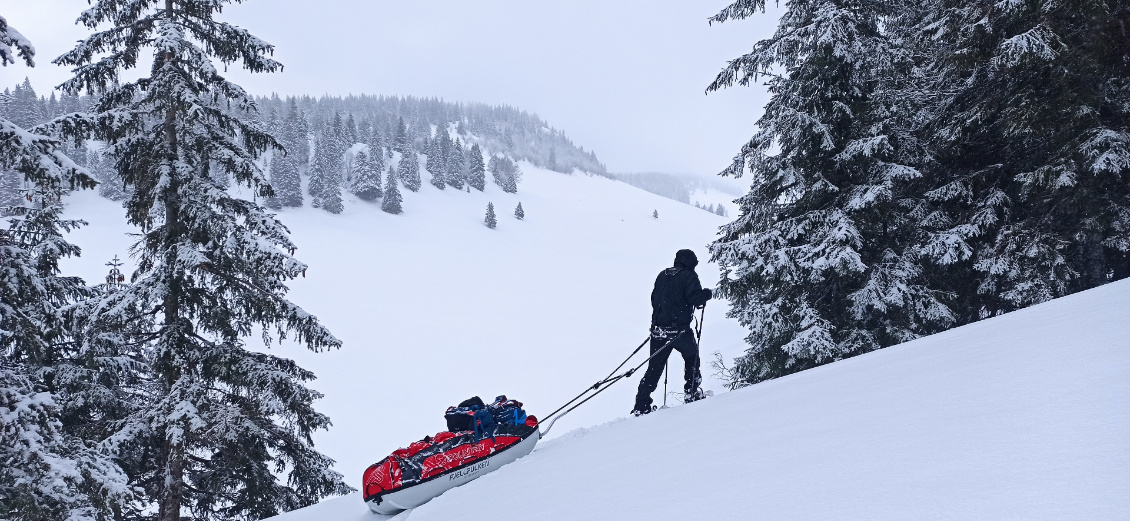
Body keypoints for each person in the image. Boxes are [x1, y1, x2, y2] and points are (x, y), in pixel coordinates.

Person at [632, 249, 712, 416]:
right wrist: (706, 294)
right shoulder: (689, 276)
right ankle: (692, 392)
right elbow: (696, 300)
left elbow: (654, 299)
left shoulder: (663, 275)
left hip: (658, 331)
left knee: (654, 368)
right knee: (692, 357)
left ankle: (641, 404)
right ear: (690, 263)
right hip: (679, 331)